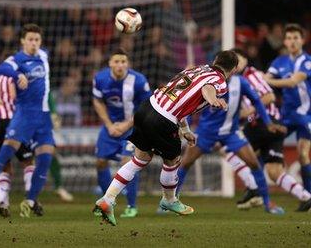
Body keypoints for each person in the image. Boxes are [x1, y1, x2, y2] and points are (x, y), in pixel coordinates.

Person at [94, 50, 238, 226]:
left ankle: (107, 199)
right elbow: (207, 89)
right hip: (163, 119)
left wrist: (185, 129)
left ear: (215, 60)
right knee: (173, 161)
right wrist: (213, 98)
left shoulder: (195, 70)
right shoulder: (220, 82)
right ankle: (169, 200)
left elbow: (179, 98)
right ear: (234, 69)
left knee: (139, 159)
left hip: (146, 108)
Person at [175, 49, 286, 215]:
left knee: (254, 163)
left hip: (231, 133)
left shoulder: (241, 82)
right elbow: (191, 106)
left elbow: (257, 100)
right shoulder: (208, 81)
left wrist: (268, 123)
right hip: (206, 133)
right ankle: (171, 200)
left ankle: (268, 204)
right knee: (185, 164)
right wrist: (186, 128)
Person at [227, 49, 311, 211]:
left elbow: (269, 97)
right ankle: (306, 197)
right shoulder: (237, 81)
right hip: (274, 127)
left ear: (246, 60)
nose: (236, 64)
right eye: (233, 61)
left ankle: (254, 189)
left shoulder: (250, 75)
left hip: (264, 124)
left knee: (228, 148)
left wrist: (247, 112)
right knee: (274, 171)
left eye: (239, 59)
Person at [0, 23, 55, 218]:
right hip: (17, 119)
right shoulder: (16, 68)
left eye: (36, 40)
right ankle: (29, 199)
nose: (34, 44)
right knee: (27, 161)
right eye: (30, 40)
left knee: (7, 164)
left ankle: (8, 200)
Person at [92, 48, 151, 218]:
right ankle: (106, 201)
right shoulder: (100, 78)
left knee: (128, 162)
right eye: (116, 61)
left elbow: (146, 106)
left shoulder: (139, 80)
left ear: (127, 63)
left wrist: (126, 124)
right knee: (101, 162)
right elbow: (97, 101)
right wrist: (109, 125)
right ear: (110, 63)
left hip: (133, 128)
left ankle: (132, 206)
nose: (120, 65)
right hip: (110, 127)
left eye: (123, 62)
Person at [0, 74, 35, 218]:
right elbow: (14, 97)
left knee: (4, 164)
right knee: (27, 161)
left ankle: (3, 202)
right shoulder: (11, 78)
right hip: (11, 122)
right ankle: (30, 200)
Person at [264, 23, 311, 194]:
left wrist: (269, 81)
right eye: (289, 38)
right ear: (284, 41)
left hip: (306, 116)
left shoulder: (307, 62)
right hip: (285, 115)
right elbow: (265, 78)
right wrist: (266, 79)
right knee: (270, 145)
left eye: (296, 38)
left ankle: (308, 197)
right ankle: (259, 191)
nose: (292, 41)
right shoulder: (280, 61)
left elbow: (293, 82)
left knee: (303, 153)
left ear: (302, 40)